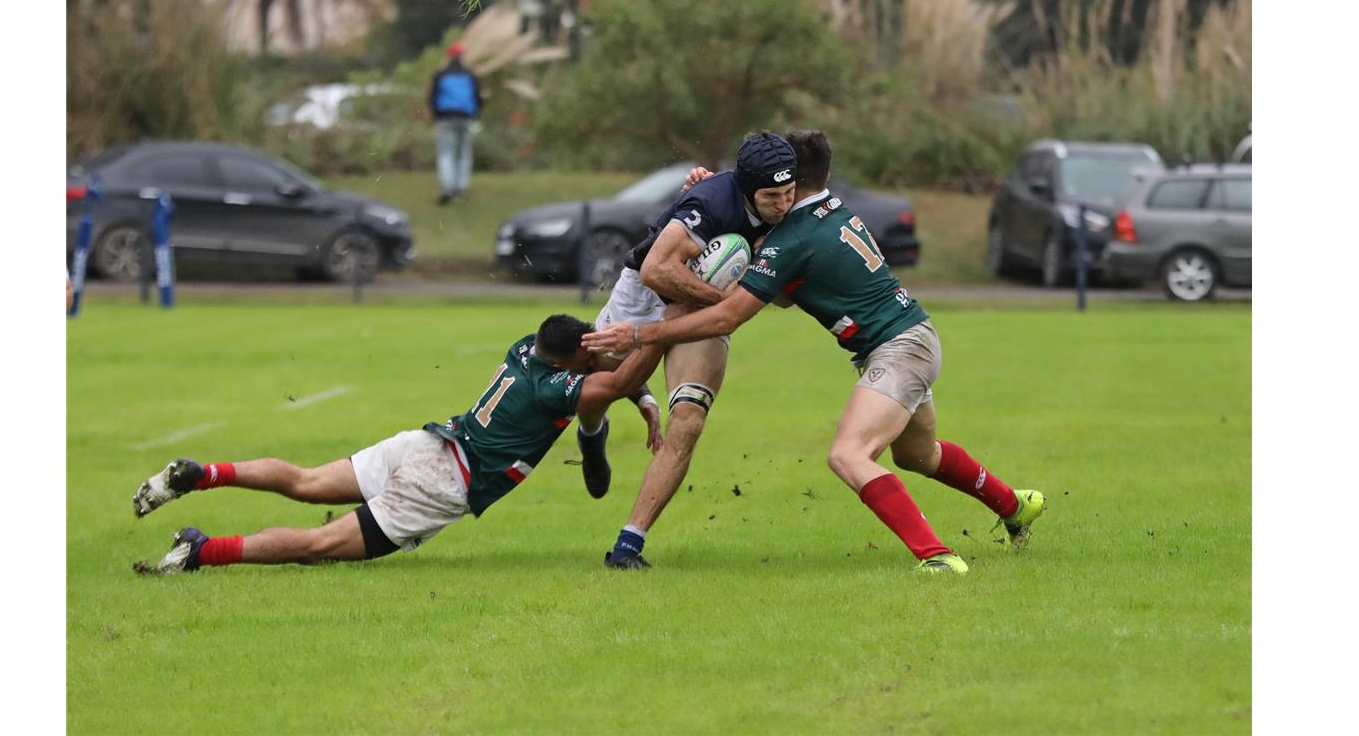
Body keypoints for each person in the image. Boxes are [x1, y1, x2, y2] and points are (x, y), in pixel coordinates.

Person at [583, 131, 1045, 574]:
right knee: (918, 456)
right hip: (914, 337)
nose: (779, 202)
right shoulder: (829, 209)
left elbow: (730, 317)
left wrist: (643, 336)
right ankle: (1014, 505)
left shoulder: (793, 239)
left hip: (898, 350)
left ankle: (936, 555)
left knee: (848, 455)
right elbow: (775, 285)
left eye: (784, 190)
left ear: (794, 180)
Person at [131, 314, 664, 575]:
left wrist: (638, 394)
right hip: (441, 483)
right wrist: (663, 333)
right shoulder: (552, 389)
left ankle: (204, 474)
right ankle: (200, 553)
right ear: (575, 357)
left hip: (427, 443)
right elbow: (612, 379)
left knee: (305, 481)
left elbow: (601, 364)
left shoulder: (531, 346)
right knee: (319, 549)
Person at [584, 132, 797, 570]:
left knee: (689, 419)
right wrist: (727, 304)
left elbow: (785, 298)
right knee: (600, 386)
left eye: (789, 192)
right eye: (772, 196)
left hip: (704, 314)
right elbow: (656, 270)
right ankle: (591, 434)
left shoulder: (793, 213)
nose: (783, 204)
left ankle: (628, 546)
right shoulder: (709, 203)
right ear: (745, 189)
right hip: (645, 296)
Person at [429, 41, 483, 206]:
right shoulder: (470, 75)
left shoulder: (441, 74)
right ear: (462, 56)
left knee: (446, 153)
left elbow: (432, 98)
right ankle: (460, 188)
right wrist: (475, 115)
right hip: (466, 118)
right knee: (463, 154)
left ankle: (447, 188)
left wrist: (436, 115)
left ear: (449, 56)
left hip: (445, 118)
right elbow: (478, 98)